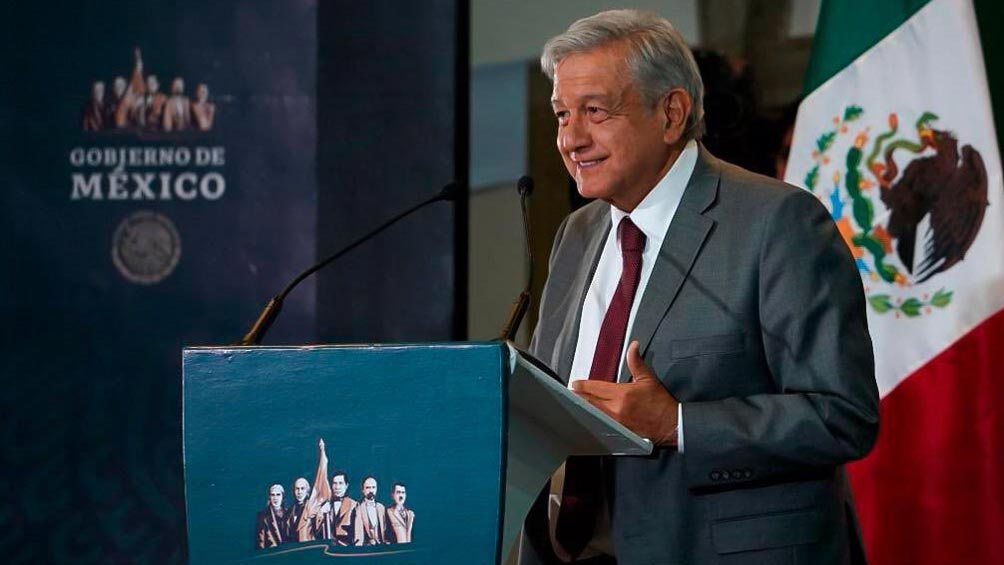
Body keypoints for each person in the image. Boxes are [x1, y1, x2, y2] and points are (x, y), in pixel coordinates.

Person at [519, 10, 878, 565]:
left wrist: (677, 424)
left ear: (671, 112)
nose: (571, 139)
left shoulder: (776, 223)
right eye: (562, 115)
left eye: (594, 111)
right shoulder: (578, 232)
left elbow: (842, 417)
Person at [320, 470, 357, 545]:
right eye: (335, 483)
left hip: (347, 548)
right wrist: (321, 514)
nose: (337, 487)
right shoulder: (326, 505)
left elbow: (358, 533)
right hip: (328, 548)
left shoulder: (354, 505)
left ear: (346, 486)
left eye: (340, 483)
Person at [353, 476, 387, 546]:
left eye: (373, 487)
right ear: (362, 490)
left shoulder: (381, 508)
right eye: (368, 488)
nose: (371, 490)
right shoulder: (358, 509)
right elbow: (358, 534)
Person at [255, 484, 286, 549]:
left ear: (282, 496)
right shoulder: (262, 516)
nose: (275, 498)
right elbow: (261, 541)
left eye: (278, 494)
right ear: (269, 497)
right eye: (273, 495)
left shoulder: (289, 513)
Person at [285, 477, 311, 543]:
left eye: (302, 489)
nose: (299, 492)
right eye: (297, 489)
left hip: (308, 547)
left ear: (307, 491)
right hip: (293, 549)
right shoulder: (290, 510)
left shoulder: (312, 508)